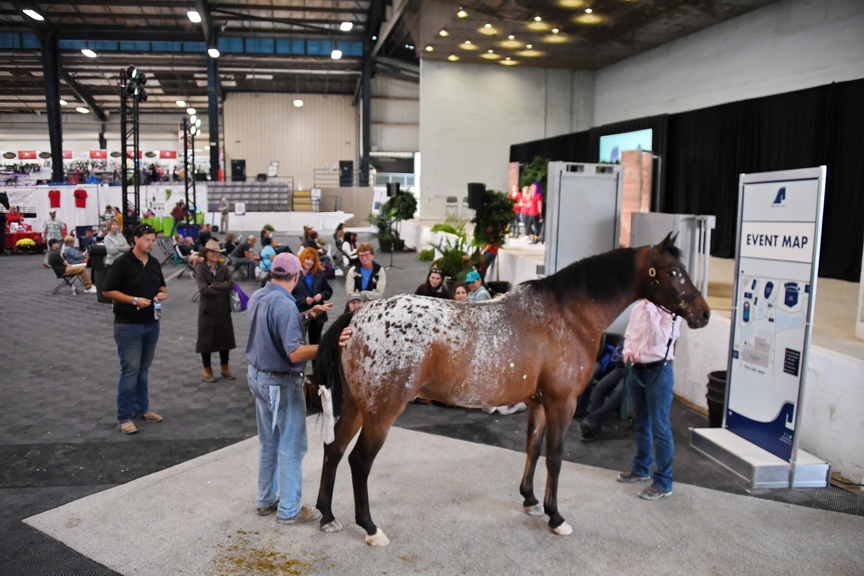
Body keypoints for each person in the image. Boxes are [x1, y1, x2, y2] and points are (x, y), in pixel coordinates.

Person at [245, 252, 332, 524]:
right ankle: (289, 510)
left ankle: (265, 500)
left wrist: (305, 316)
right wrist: (329, 346)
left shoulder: (259, 295)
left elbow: (272, 328)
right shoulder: (285, 305)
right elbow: (294, 353)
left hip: (257, 376)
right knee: (291, 445)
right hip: (280, 382)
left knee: (269, 442)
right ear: (295, 277)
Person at [102, 223, 168, 435]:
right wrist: (133, 300)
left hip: (151, 322)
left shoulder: (154, 262)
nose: (151, 243)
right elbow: (108, 291)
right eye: (147, 239)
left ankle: (143, 409)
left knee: (143, 369)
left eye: (153, 240)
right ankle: (125, 416)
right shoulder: (122, 263)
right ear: (136, 239)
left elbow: (162, 286)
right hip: (128, 324)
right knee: (130, 370)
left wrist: (161, 294)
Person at [617, 299, 682, 500]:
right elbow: (630, 334)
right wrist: (627, 351)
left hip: (659, 371)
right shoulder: (639, 307)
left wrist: (653, 310)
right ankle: (641, 469)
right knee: (641, 422)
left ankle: (663, 483)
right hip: (637, 369)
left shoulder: (671, 312)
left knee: (660, 427)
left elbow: (658, 339)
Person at [195, 239, 236, 383]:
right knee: (205, 341)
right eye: (212, 252)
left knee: (225, 340)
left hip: (223, 309)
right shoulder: (200, 268)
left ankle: (225, 368)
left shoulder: (223, 267)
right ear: (206, 253)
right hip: (207, 310)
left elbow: (231, 284)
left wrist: (213, 285)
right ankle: (207, 370)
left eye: (217, 252)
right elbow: (203, 289)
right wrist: (222, 287)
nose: (215, 254)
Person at [579, 340, 626, 441]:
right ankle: (592, 428)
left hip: (639, 372)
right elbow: (617, 354)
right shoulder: (631, 331)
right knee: (599, 388)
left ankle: (591, 421)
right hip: (621, 367)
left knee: (617, 394)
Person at [293, 246, 333, 345]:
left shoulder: (319, 274)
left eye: (312, 260)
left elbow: (328, 291)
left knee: (316, 342)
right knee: (299, 342)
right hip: (301, 313)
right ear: (302, 258)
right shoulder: (294, 274)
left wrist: (321, 295)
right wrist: (303, 300)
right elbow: (288, 296)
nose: (309, 262)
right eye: (307, 259)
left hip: (318, 314)